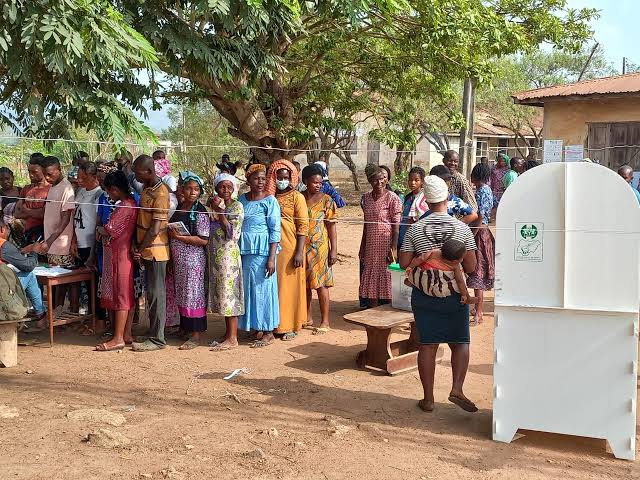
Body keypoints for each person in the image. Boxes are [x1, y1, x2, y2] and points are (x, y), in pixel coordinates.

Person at [399, 175, 478, 414]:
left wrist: (424, 258)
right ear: (447, 197)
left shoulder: (415, 229)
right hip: (454, 295)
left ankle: (428, 399)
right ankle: (456, 388)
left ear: (426, 199)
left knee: (428, 344)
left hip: (424, 295)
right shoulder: (461, 229)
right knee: (460, 341)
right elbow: (472, 267)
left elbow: (403, 263)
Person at [238, 163, 281, 347]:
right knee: (249, 290)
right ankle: (255, 326)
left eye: (263, 178)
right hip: (245, 252)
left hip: (264, 253)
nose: (260, 182)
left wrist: (271, 258)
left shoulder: (270, 201)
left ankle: (268, 331)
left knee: (264, 290)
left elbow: (275, 231)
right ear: (248, 180)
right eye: (256, 178)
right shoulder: (242, 199)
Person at [132, 154, 171, 352]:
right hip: (146, 250)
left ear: (148, 171)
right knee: (150, 294)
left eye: (137, 173)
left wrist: (140, 248)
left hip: (156, 251)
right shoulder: (148, 189)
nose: (135, 177)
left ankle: (158, 339)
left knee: (156, 295)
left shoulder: (161, 193)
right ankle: (153, 332)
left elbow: (155, 228)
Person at [95, 171, 138, 351]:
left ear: (114, 189)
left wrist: (100, 229)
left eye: (110, 191)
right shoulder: (128, 204)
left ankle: (118, 337)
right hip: (118, 254)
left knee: (121, 296)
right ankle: (124, 334)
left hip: (119, 256)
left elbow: (109, 229)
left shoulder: (126, 206)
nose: (109, 195)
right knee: (124, 294)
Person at [266, 159, 309, 341]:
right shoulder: (269, 197)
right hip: (269, 247)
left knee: (288, 287)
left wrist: (299, 252)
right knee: (272, 287)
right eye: (279, 177)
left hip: (290, 247)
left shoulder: (297, 197)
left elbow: (303, 225)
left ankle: (290, 325)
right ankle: (271, 324)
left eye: (286, 177)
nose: (282, 180)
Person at [167, 173, 210, 350]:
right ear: (183, 189)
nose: (192, 192)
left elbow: (203, 239)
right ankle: (185, 328)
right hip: (179, 259)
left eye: (196, 189)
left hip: (193, 259)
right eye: (189, 188)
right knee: (183, 293)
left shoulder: (200, 210)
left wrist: (179, 237)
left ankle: (196, 334)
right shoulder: (180, 207)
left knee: (194, 295)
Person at [34, 156, 77, 312]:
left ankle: (71, 311)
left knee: (68, 281)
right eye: (45, 174)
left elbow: (65, 220)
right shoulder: (53, 187)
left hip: (61, 245)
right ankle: (56, 312)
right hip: (52, 244)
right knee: (56, 281)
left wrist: (50, 241)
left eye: (50, 174)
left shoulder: (66, 188)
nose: (47, 178)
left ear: (59, 170)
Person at [208, 174, 244, 351]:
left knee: (230, 295)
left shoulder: (236, 207)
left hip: (228, 257)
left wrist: (220, 212)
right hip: (216, 258)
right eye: (222, 187)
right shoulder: (215, 206)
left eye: (229, 187)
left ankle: (233, 338)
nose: (226, 190)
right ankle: (227, 333)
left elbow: (231, 233)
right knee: (222, 295)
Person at [359, 167, 402, 308]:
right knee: (371, 276)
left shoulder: (392, 198)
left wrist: (393, 248)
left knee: (387, 277)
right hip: (371, 244)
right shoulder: (366, 198)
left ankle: (388, 315)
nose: (379, 182)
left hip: (386, 243)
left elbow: (396, 226)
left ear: (387, 179)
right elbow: (366, 224)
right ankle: (372, 313)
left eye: (382, 179)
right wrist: (362, 246)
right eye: (375, 179)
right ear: (370, 181)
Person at [302, 164, 338, 333]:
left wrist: (334, 249)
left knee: (321, 285)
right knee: (305, 285)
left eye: (320, 182)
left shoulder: (327, 200)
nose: (318, 185)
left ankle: (325, 321)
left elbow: (331, 227)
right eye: (314, 182)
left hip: (321, 248)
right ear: (305, 181)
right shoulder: (299, 198)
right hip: (302, 248)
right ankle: (307, 317)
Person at [0, 221, 46, 325]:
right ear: (2, 229)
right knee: (29, 275)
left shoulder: (5, 247)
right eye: (7, 229)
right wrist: (34, 252)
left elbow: (10, 255)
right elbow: (29, 265)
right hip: (2, 292)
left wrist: (22, 250)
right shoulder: (3, 245)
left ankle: (39, 314)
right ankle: (41, 315)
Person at [404, 238, 476, 305]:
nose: (462, 260)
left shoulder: (433, 253)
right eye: (462, 258)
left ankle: (410, 281)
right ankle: (469, 298)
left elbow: (420, 258)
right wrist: (463, 294)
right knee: (462, 280)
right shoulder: (455, 266)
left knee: (417, 273)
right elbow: (460, 281)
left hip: (424, 282)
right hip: (441, 290)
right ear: (454, 261)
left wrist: (410, 267)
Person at [467, 163, 495, 326]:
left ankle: (479, 312)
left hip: (479, 233)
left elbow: (480, 215)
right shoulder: (486, 189)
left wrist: (472, 235)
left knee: (478, 273)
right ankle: (477, 309)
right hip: (483, 232)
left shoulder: (482, 190)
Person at [14, 155, 50, 247]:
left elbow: (44, 215)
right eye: (29, 171)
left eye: (35, 172)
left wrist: (25, 209)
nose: (31, 175)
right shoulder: (26, 189)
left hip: (45, 236)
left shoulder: (51, 189)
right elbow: (17, 214)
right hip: (28, 234)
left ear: (44, 171)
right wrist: (36, 213)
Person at [74, 162, 103, 269]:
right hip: (78, 241)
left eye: (84, 178)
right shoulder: (80, 190)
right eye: (78, 177)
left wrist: (93, 251)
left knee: (91, 277)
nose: (79, 180)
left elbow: (98, 221)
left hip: (89, 243)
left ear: (94, 177)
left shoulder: (99, 194)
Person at [399, 166, 426, 249]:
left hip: (417, 239)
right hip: (403, 235)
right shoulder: (408, 197)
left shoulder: (424, 199)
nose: (412, 183)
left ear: (422, 182)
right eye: (410, 180)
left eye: (416, 180)